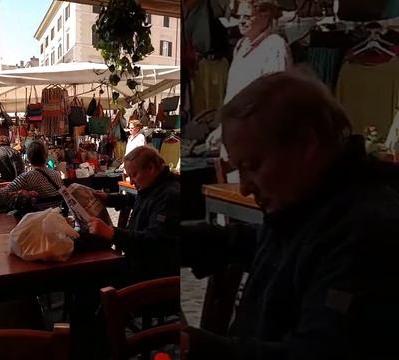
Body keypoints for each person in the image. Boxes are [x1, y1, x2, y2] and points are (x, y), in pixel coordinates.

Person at [182, 71, 399, 359]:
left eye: (252, 166)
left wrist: (197, 348)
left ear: (305, 144)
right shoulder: (311, 201)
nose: (245, 188)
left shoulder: (368, 230)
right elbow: (273, 244)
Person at [206, 0, 292, 161]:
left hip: (258, 142)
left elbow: (273, 100)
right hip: (236, 138)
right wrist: (223, 129)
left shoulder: (275, 47)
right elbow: (234, 96)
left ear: (265, 16)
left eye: (248, 16)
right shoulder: (242, 45)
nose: (242, 21)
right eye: (240, 16)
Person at [88, 145, 181, 283]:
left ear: (150, 168)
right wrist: (109, 198)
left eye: (134, 175)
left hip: (152, 277)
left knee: (90, 279)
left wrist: (111, 233)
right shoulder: (154, 186)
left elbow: (153, 242)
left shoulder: (170, 195)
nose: (131, 181)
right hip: (139, 264)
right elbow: (138, 200)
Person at [0, 140, 63, 211]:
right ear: (46, 156)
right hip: (57, 219)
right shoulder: (57, 175)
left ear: (29, 158)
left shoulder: (27, 177)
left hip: (37, 222)